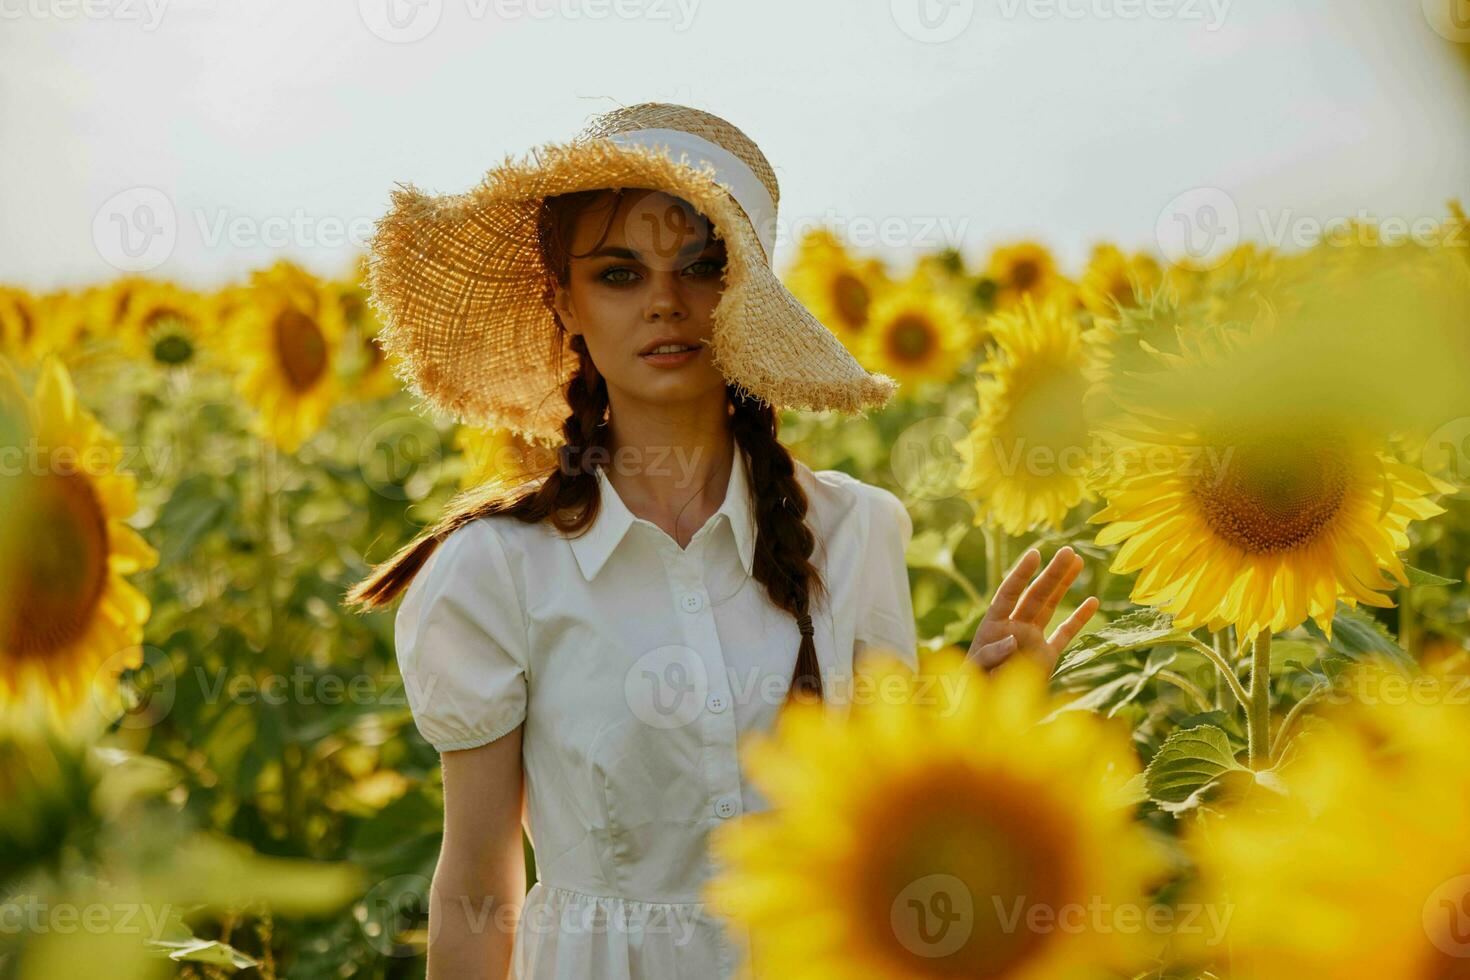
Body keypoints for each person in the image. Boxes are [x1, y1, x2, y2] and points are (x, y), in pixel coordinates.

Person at [345, 102, 1098, 980]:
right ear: (565, 302)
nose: (665, 304)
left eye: (701, 268)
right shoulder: (496, 569)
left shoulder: (855, 533)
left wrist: (978, 715)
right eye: (619, 275)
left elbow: (883, 842)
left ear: (746, 298)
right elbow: (478, 884)